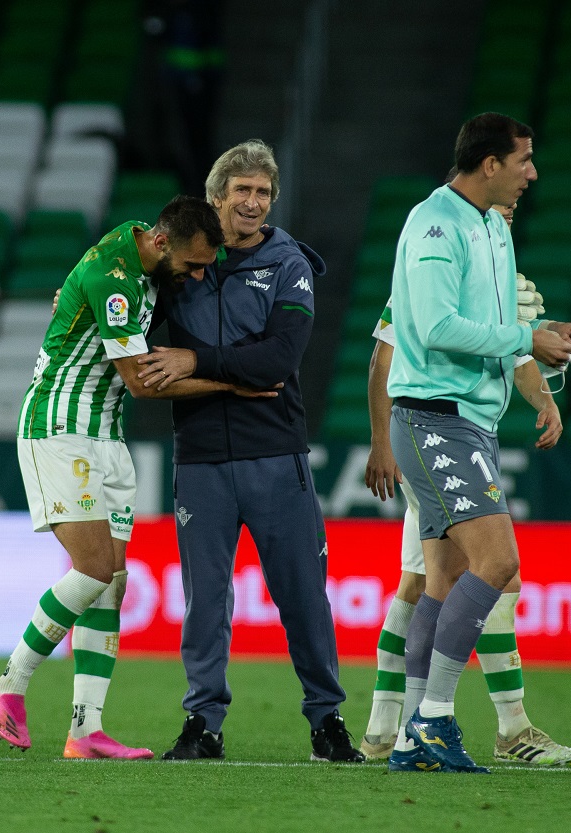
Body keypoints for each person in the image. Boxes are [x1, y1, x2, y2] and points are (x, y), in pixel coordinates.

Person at [0, 195, 275, 760]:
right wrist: (234, 383)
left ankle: (84, 730)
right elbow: (142, 382)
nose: (195, 277)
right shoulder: (113, 279)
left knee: (111, 584)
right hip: (61, 427)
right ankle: (10, 683)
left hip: (108, 437)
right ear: (164, 244)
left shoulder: (144, 247)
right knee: (92, 569)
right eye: (192, 266)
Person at [133, 140, 365, 763]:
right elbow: (129, 320)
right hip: (201, 457)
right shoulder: (181, 265)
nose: (255, 204)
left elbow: (280, 361)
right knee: (205, 600)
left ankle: (327, 720)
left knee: (302, 595)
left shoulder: (288, 263)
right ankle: (201, 724)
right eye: (243, 192)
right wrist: (75, 301)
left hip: (275, 456)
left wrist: (195, 360)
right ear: (216, 199)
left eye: (264, 193)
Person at [385, 112, 571, 773]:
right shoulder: (436, 223)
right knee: (496, 565)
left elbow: (496, 329)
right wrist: (525, 338)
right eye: (523, 160)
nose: (533, 173)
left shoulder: (493, 228)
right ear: (489, 163)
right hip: (433, 416)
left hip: (469, 420)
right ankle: (435, 719)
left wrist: (544, 337)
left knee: (440, 579)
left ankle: (414, 736)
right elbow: (439, 325)